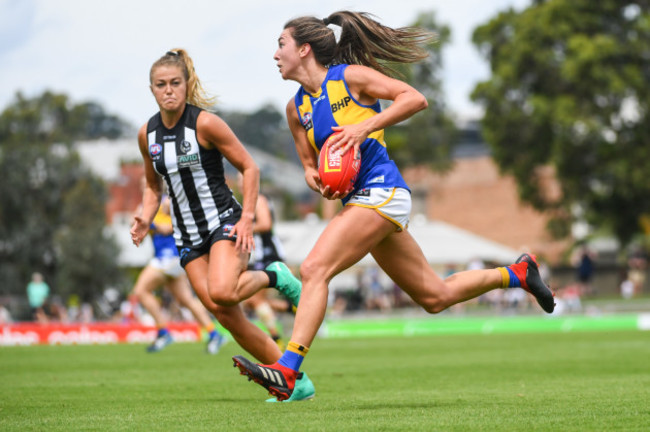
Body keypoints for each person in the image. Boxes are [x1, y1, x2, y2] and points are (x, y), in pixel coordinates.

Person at [232, 11, 555, 401]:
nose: (275, 55)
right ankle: (518, 273)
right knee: (435, 297)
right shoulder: (295, 109)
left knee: (315, 268)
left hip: (384, 190)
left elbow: (414, 98)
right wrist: (314, 177)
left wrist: (364, 126)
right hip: (361, 201)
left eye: (280, 45)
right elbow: (308, 162)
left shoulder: (349, 78)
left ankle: (287, 369)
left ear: (303, 49)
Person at [129, 48, 314, 401]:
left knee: (224, 292)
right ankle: (295, 381)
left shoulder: (205, 123)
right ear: (151, 89)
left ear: (186, 85)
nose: (168, 90)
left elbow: (250, 167)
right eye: (160, 85)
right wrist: (144, 216)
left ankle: (275, 276)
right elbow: (154, 187)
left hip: (223, 221)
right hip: (187, 236)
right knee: (224, 314)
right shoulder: (146, 136)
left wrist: (247, 218)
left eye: (175, 83)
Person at [133, 194, 227, 354]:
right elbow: (134, 222)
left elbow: (167, 228)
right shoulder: (147, 205)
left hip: (168, 257)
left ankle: (163, 332)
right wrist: (140, 217)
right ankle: (214, 333)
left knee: (141, 291)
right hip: (169, 258)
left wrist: (147, 220)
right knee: (186, 300)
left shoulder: (167, 200)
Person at [242, 190, 291, 348]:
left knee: (255, 300)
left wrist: (242, 228)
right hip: (261, 255)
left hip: (268, 254)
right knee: (252, 301)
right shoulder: (253, 199)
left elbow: (265, 224)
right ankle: (293, 308)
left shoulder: (258, 199)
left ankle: (276, 338)